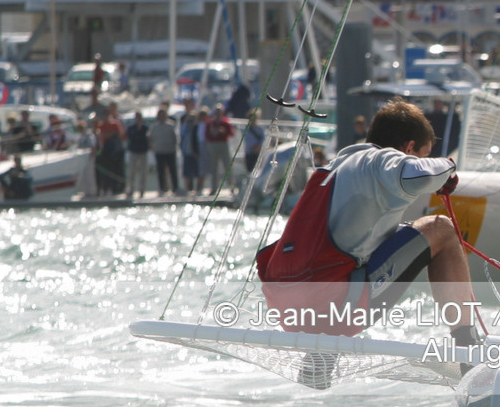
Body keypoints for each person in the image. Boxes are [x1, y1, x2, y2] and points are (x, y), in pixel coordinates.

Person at [256, 97, 476, 382]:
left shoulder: (337, 166)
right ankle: (471, 353)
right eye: (422, 153)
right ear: (409, 149)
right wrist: (447, 169)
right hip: (334, 306)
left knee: (395, 235)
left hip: (288, 312)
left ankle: (320, 355)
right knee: (442, 229)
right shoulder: (383, 159)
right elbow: (422, 175)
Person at [94, 104, 127, 196]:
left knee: (117, 170)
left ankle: (117, 189)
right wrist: (110, 135)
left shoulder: (115, 124)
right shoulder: (101, 125)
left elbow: (120, 135)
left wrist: (109, 135)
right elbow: (101, 136)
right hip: (105, 151)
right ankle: (106, 188)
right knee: (106, 171)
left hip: (115, 151)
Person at [204, 104, 234, 193]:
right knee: (214, 167)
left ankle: (231, 186)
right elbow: (206, 135)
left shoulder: (225, 122)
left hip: (223, 144)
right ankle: (214, 187)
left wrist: (223, 131)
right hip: (213, 144)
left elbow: (231, 133)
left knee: (227, 165)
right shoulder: (210, 123)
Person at [150, 109, 178, 195]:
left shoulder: (171, 125)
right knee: (161, 171)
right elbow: (151, 138)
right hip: (159, 151)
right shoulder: (154, 127)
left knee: (172, 170)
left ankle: (175, 188)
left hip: (170, 150)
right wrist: (153, 147)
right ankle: (163, 188)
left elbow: (175, 138)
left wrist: (174, 147)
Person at [125, 109, 151, 198]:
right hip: (133, 151)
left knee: (143, 172)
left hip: (143, 151)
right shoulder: (131, 128)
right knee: (131, 171)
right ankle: (130, 189)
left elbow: (148, 138)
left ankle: (142, 189)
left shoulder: (145, 128)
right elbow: (128, 137)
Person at [178, 109, 201, 195]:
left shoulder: (197, 127)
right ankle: (188, 188)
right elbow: (182, 134)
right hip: (187, 152)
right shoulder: (186, 127)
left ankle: (196, 189)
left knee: (196, 170)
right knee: (187, 171)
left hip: (195, 152)